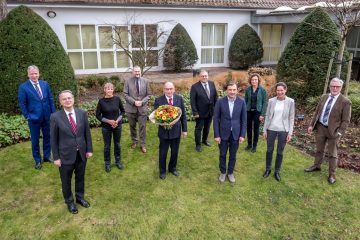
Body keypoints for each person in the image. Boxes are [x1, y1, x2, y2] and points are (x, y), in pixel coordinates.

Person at [50, 90, 93, 214]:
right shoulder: (55, 117)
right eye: (64, 99)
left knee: (80, 177)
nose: (67, 100)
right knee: (66, 180)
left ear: (73, 99)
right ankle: (69, 202)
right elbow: (53, 139)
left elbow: (87, 133)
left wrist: (89, 149)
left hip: (81, 154)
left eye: (69, 98)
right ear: (60, 102)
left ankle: (80, 198)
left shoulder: (82, 113)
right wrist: (56, 157)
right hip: (65, 156)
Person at [304, 78, 352, 184]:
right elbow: (317, 112)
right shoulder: (324, 97)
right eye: (332, 86)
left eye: (337, 86)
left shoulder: (345, 102)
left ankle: (332, 174)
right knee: (319, 150)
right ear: (330, 86)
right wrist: (312, 125)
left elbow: (346, 120)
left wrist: (339, 133)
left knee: (332, 154)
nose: (334, 88)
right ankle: (316, 166)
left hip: (333, 132)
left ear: (341, 87)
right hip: (321, 128)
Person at [18, 65, 56, 170]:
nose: (34, 75)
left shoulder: (45, 84)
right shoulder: (23, 87)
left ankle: (47, 156)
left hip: (47, 116)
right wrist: (28, 116)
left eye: (36, 73)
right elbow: (22, 103)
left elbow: (50, 99)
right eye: (32, 74)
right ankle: (37, 160)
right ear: (28, 75)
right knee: (35, 140)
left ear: (39, 73)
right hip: (33, 118)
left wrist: (53, 114)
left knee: (48, 137)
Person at [213, 82, 247, 183]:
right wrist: (217, 135)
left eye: (234, 90)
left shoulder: (242, 102)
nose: (232, 92)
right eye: (230, 90)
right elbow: (216, 119)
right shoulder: (220, 101)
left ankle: (230, 172)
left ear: (237, 90)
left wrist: (242, 135)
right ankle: (223, 172)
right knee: (222, 154)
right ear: (226, 90)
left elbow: (244, 120)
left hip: (236, 133)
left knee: (233, 155)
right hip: (223, 133)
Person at [154, 82, 187, 180]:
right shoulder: (158, 100)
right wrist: (163, 122)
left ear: (174, 89)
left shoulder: (179, 99)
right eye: (167, 89)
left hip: (176, 131)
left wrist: (184, 130)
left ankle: (172, 168)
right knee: (163, 152)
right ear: (163, 90)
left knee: (174, 152)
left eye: (171, 89)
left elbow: (183, 115)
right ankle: (162, 171)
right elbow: (156, 116)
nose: (169, 91)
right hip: (163, 132)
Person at [263, 82, 295, 182]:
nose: (279, 92)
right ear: (276, 91)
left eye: (281, 90)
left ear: (285, 90)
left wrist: (290, 133)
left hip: (283, 130)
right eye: (278, 90)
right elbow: (267, 116)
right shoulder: (271, 101)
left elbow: (291, 118)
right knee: (269, 150)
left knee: (280, 151)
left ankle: (277, 171)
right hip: (271, 128)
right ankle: (268, 169)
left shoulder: (291, 102)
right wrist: (265, 130)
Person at [96, 82, 125, 173]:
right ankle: (107, 163)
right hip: (106, 127)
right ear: (104, 90)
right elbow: (98, 115)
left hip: (117, 125)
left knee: (117, 144)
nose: (110, 90)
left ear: (113, 90)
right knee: (107, 146)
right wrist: (108, 121)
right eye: (108, 89)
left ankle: (118, 161)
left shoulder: (117, 99)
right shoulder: (101, 101)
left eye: (111, 88)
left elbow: (123, 111)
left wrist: (117, 120)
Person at [123, 66, 151, 153]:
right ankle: (134, 141)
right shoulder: (127, 81)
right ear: (132, 72)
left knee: (142, 127)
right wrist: (133, 102)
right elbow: (125, 94)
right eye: (135, 71)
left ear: (141, 71)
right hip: (131, 109)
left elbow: (149, 94)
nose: (137, 73)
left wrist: (142, 102)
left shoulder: (146, 81)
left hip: (142, 109)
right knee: (132, 127)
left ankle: (142, 144)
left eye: (138, 71)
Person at [190, 70, 218, 152]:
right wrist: (195, 112)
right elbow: (193, 101)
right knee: (199, 128)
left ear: (208, 76)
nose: (204, 77)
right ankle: (198, 145)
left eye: (206, 76)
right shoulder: (195, 87)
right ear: (199, 77)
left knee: (207, 127)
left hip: (210, 111)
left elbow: (215, 96)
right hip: (200, 112)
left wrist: (216, 108)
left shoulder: (211, 83)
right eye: (202, 76)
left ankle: (204, 140)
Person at [244, 73, 267, 152]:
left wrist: (262, 114)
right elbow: (245, 100)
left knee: (256, 129)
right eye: (252, 79)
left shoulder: (262, 90)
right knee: (249, 128)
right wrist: (245, 110)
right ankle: (249, 144)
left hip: (258, 111)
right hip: (249, 111)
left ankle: (254, 146)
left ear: (258, 80)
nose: (254, 81)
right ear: (250, 80)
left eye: (255, 80)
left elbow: (265, 102)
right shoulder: (248, 89)